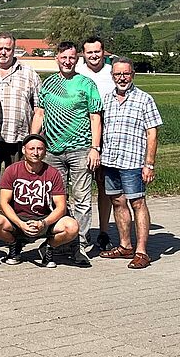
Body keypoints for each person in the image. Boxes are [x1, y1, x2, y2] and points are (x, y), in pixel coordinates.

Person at [30, 41, 102, 267]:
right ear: (57, 58)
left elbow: (95, 118)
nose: (68, 61)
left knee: (82, 199)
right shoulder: (48, 84)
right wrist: (33, 143)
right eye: (64, 57)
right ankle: (62, 240)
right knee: (57, 200)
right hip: (52, 150)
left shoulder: (86, 84)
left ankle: (80, 245)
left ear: (77, 59)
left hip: (80, 149)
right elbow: (39, 114)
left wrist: (95, 148)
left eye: (72, 58)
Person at [98, 57, 163, 270]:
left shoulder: (144, 99)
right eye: (118, 74)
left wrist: (149, 164)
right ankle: (125, 245)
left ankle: (142, 251)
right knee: (117, 201)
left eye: (126, 74)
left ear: (133, 74)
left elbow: (152, 133)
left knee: (137, 203)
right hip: (110, 160)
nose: (122, 78)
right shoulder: (106, 99)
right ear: (112, 76)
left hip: (133, 161)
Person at [0, 135, 79, 268]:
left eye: (40, 149)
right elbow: (3, 203)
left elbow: (61, 207)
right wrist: (20, 223)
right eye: (32, 149)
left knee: (72, 227)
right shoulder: (11, 170)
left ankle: (48, 247)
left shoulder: (53, 173)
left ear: (45, 151)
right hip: (17, 218)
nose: (36, 153)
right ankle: (14, 245)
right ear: (24, 150)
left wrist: (43, 223)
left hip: (45, 218)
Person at [0, 31, 41, 234]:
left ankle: (16, 221)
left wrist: (32, 138)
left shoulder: (28, 73)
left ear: (13, 49)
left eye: (7, 49)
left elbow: (39, 108)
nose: (3, 53)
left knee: (17, 182)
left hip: (18, 137)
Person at [76, 36, 116, 252]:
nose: (93, 55)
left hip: (108, 137)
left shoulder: (111, 74)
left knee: (104, 186)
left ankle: (103, 231)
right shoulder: (78, 72)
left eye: (97, 52)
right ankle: (78, 232)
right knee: (80, 189)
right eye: (89, 52)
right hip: (81, 139)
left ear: (103, 52)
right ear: (83, 53)